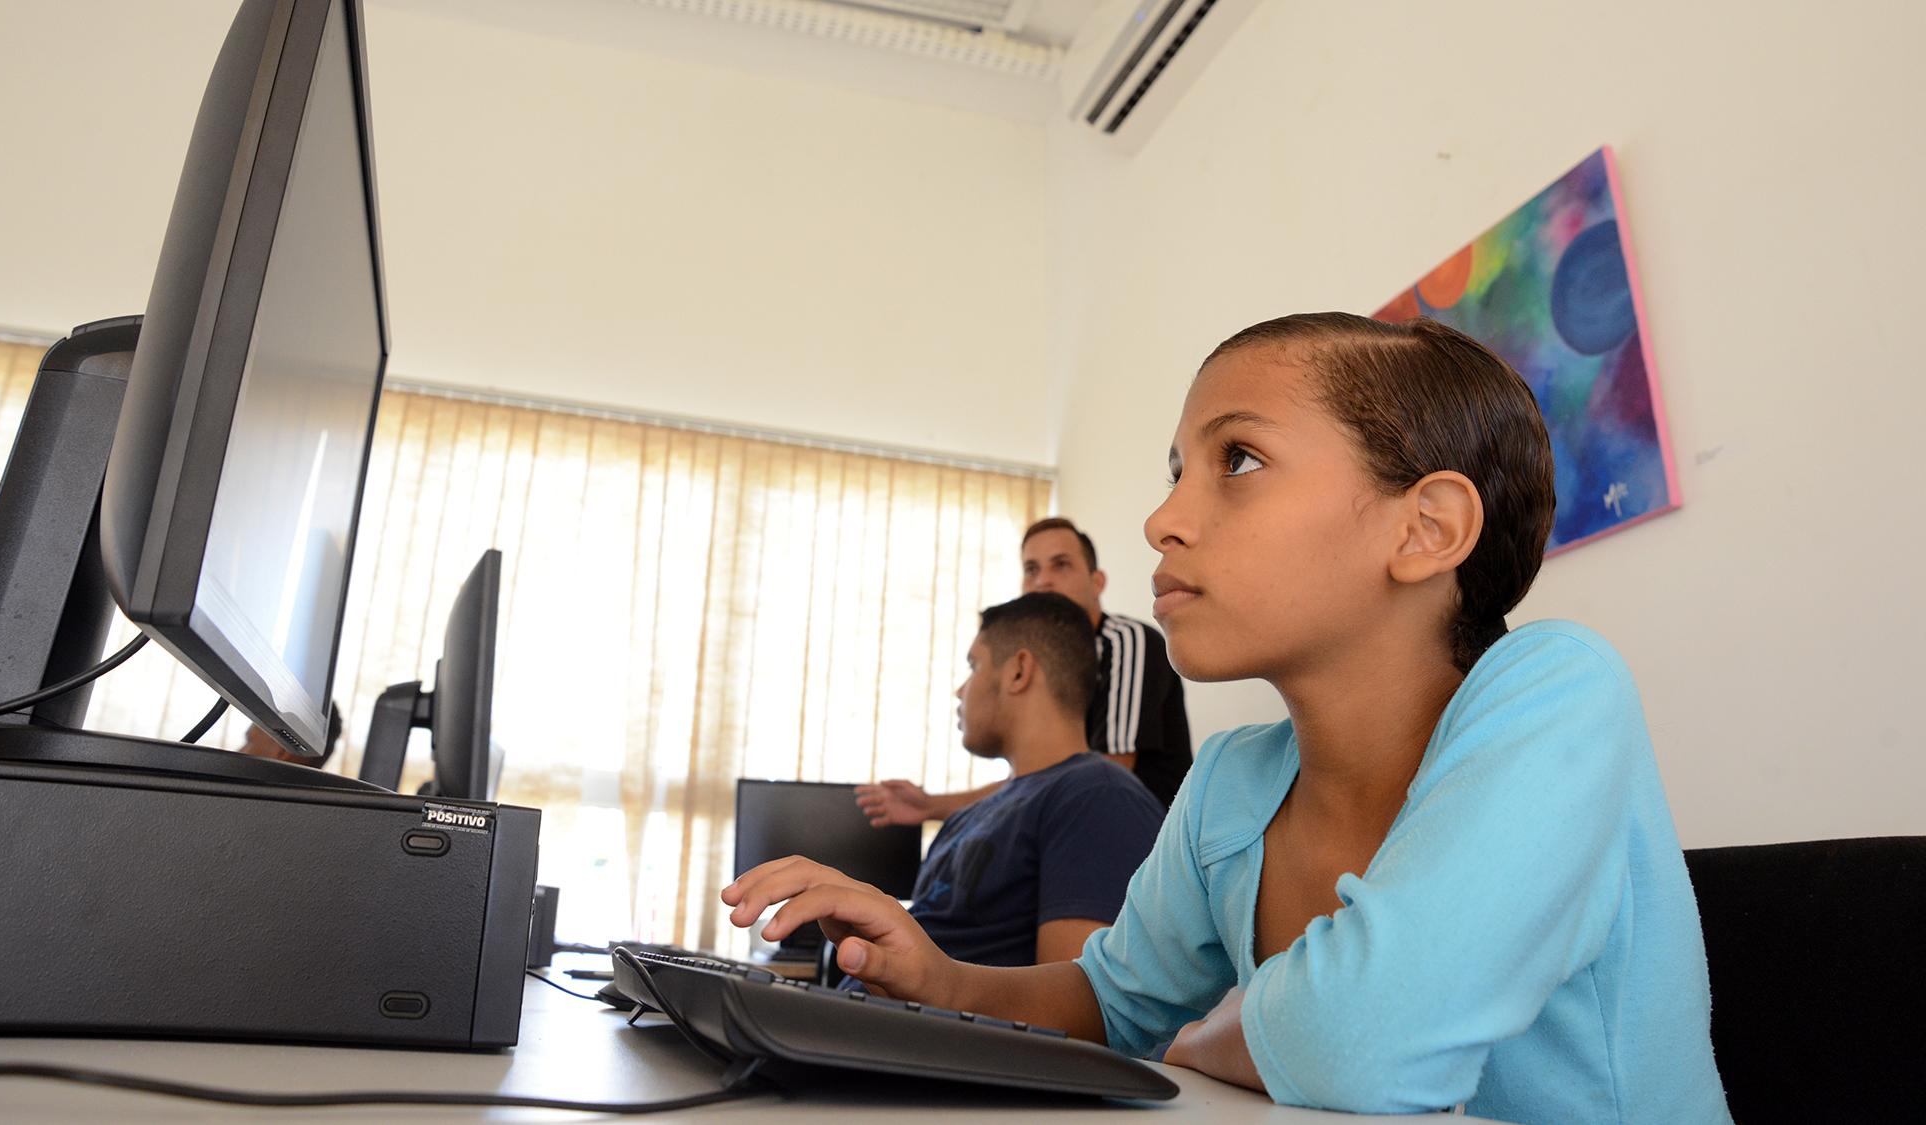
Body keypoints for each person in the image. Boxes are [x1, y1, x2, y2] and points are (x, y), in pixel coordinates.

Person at [725, 313, 1732, 1123]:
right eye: (1175, 472)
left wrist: (1206, 1038)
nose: (1163, 520)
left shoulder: (1555, 691)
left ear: (1425, 528)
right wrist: (938, 978)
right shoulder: (1232, 782)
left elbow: (1359, 1048)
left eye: (1236, 460)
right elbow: (1110, 1003)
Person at [857, 519, 1191, 827]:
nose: (1043, 580)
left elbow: (1102, 781)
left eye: (1061, 565)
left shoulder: (1125, 641)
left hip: (1139, 847)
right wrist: (931, 806)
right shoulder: (1038, 662)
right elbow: (1037, 777)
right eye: (1031, 569)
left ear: (1097, 582)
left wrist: (939, 807)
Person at [895, 591, 1163, 967]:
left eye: (974, 665)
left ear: (1019, 671)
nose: (960, 690)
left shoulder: (1098, 797)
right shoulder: (967, 818)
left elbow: (1071, 1009)